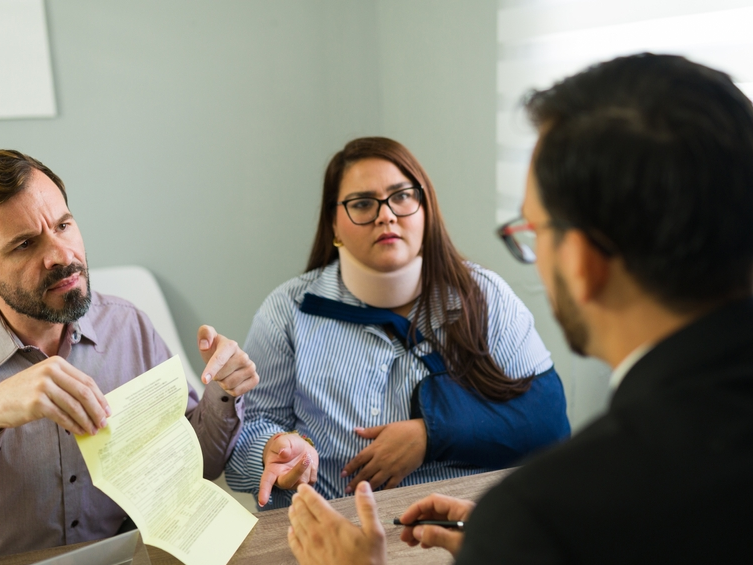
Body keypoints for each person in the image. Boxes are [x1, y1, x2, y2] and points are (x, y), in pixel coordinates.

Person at [286, 53, 753, 565]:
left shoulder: (551, 520)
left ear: (582, 262)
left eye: (532, 232)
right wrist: (511, 556)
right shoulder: (546, 527)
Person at [0, 150, 259, 565]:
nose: (61, 255)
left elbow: (195, 468)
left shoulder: (127, 327)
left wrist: (222, 392)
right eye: (25, 244)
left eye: (63, 225)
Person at [225, 137, 570, 509]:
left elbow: (548, 424)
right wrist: (275, 450)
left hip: (467, 528)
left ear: (426, 208)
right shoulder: (288, 312)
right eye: (362, 204)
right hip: (334, 532)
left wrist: (430, 435)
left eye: (402, 197)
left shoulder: (485, 296)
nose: (385, 215)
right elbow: (246, 436)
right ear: (334, 226)